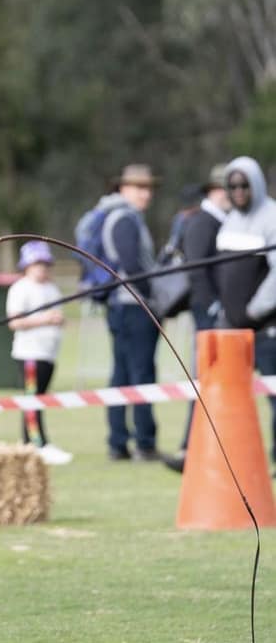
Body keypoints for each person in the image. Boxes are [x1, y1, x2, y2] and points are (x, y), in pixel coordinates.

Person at [163, 164, 229, 473]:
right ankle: (190, 445)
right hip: (208, 311)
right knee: (204, 375)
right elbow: (198, 270)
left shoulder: (219, 220)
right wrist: (213, 305)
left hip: (215, 310)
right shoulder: (204, 222)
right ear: (214, 192)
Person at [213, 156, 276, 476]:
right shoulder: (229, 222)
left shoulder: (272, 217)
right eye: (232, 185)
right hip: (230, 328)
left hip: (266, 328)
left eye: (244, 185)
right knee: (224, 395)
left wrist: (255, 309)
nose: (238, 191)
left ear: (257, 185)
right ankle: (227, 459)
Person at [100, 164, 162, 461]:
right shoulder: (125, 218)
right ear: (122, 188)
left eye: (148, 188)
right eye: (139, 187)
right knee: (139, 374)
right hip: (133, 306)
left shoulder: (124, 216)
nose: (146, 194)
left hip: (124, 306)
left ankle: (119, 441)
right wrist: (154, 297)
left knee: (123, 374)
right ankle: (143, 442)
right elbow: (132, 265)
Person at [6, 241, 72, 465]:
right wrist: (45, 319)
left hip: (48, 353)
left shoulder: (51, 288)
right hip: (30, 354)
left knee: (40, 399)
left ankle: (40, 440)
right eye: (37, 264)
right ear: (27, 265)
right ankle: (34, 444)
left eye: (45, 264)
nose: (42, 268)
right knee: (31, 400)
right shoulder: (20, 288)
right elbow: (14, 321)